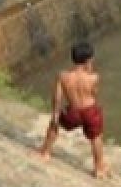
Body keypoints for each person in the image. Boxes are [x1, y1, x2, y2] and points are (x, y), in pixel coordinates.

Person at [37, 41, 108, 178]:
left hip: (73, 113)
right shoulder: (94, 77)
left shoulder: (63, 76)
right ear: (89, 60)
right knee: (96, 138)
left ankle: (45, 152)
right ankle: (99, 168)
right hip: (90, 110)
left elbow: (57, 98)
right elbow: (94, 94)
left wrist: (56, 114)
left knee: (54, 124)